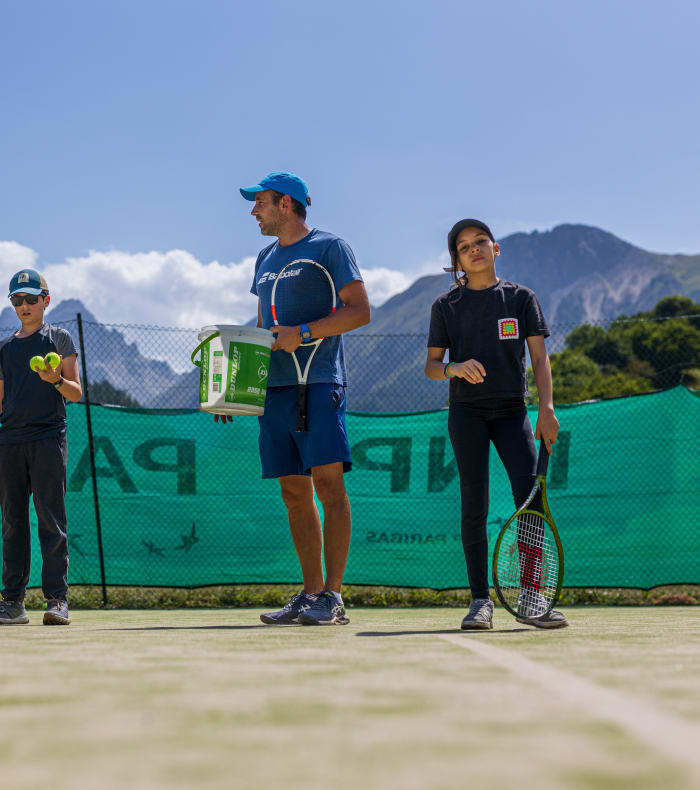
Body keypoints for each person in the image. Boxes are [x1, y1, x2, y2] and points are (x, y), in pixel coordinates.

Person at [218, 172, 370, 625]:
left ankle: (334, 597)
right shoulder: (264, 258)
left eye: (259, 202)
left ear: (286, 203)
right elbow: (265, 326)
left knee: (328, 487)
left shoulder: (330, 248)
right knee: (293, 492)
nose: (253, 211)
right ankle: (310, 592)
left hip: (320, 382)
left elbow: (359, 312)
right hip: (276, 390)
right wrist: (233, 388)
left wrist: (303, 332)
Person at [425, 219, 567, 630]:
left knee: (529, 503)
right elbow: (432, 367)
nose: (474, 249)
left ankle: (532, 595)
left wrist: (547, 409)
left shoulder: (521, 299)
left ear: (495, 248)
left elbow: (540, 360)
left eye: (480, 242)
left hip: (513, 413)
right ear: (457, 261)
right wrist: (454, 367)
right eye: (464, 246)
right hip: (465, 415)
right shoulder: (444, 306)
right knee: (475, 505)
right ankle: (480, 602)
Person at [0, 269, 82, 625]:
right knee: (12, 524)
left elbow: (76, 394)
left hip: (49, 439)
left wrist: (56, 380)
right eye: (17, 299)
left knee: (51, 521)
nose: (25, 306)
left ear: (45, 301)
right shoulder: (4, 348)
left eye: (31, 299)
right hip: (10, 442)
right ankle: (13, 603)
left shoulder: (59, 339)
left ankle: (56, 601)